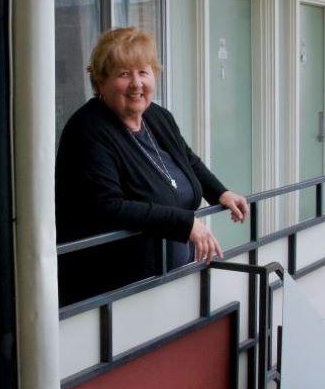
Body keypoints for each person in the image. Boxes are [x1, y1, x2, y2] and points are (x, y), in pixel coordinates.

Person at [56, 26, 249, 305]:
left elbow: (187, 160)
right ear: (100, 82)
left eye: (143, 72)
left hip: (168, 282)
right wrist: (185, 223)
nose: (136, 84)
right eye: (124, 74)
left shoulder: (156, 117)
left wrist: (220, 193)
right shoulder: (88, 129)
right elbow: (107, 207)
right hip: (115, 295)